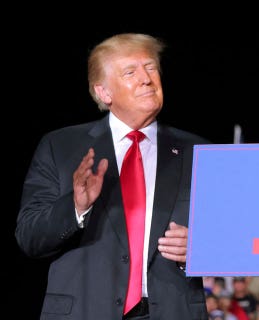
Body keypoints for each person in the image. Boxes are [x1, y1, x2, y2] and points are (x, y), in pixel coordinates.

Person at [15, 33, 210, 319]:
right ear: (104, 92)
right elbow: (29, 237)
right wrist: (76, 207)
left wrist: (201, 248)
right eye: (130, 72)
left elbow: (232, 237)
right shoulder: (60, 147)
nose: (146, 79)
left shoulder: (199, 152)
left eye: (151, 67)